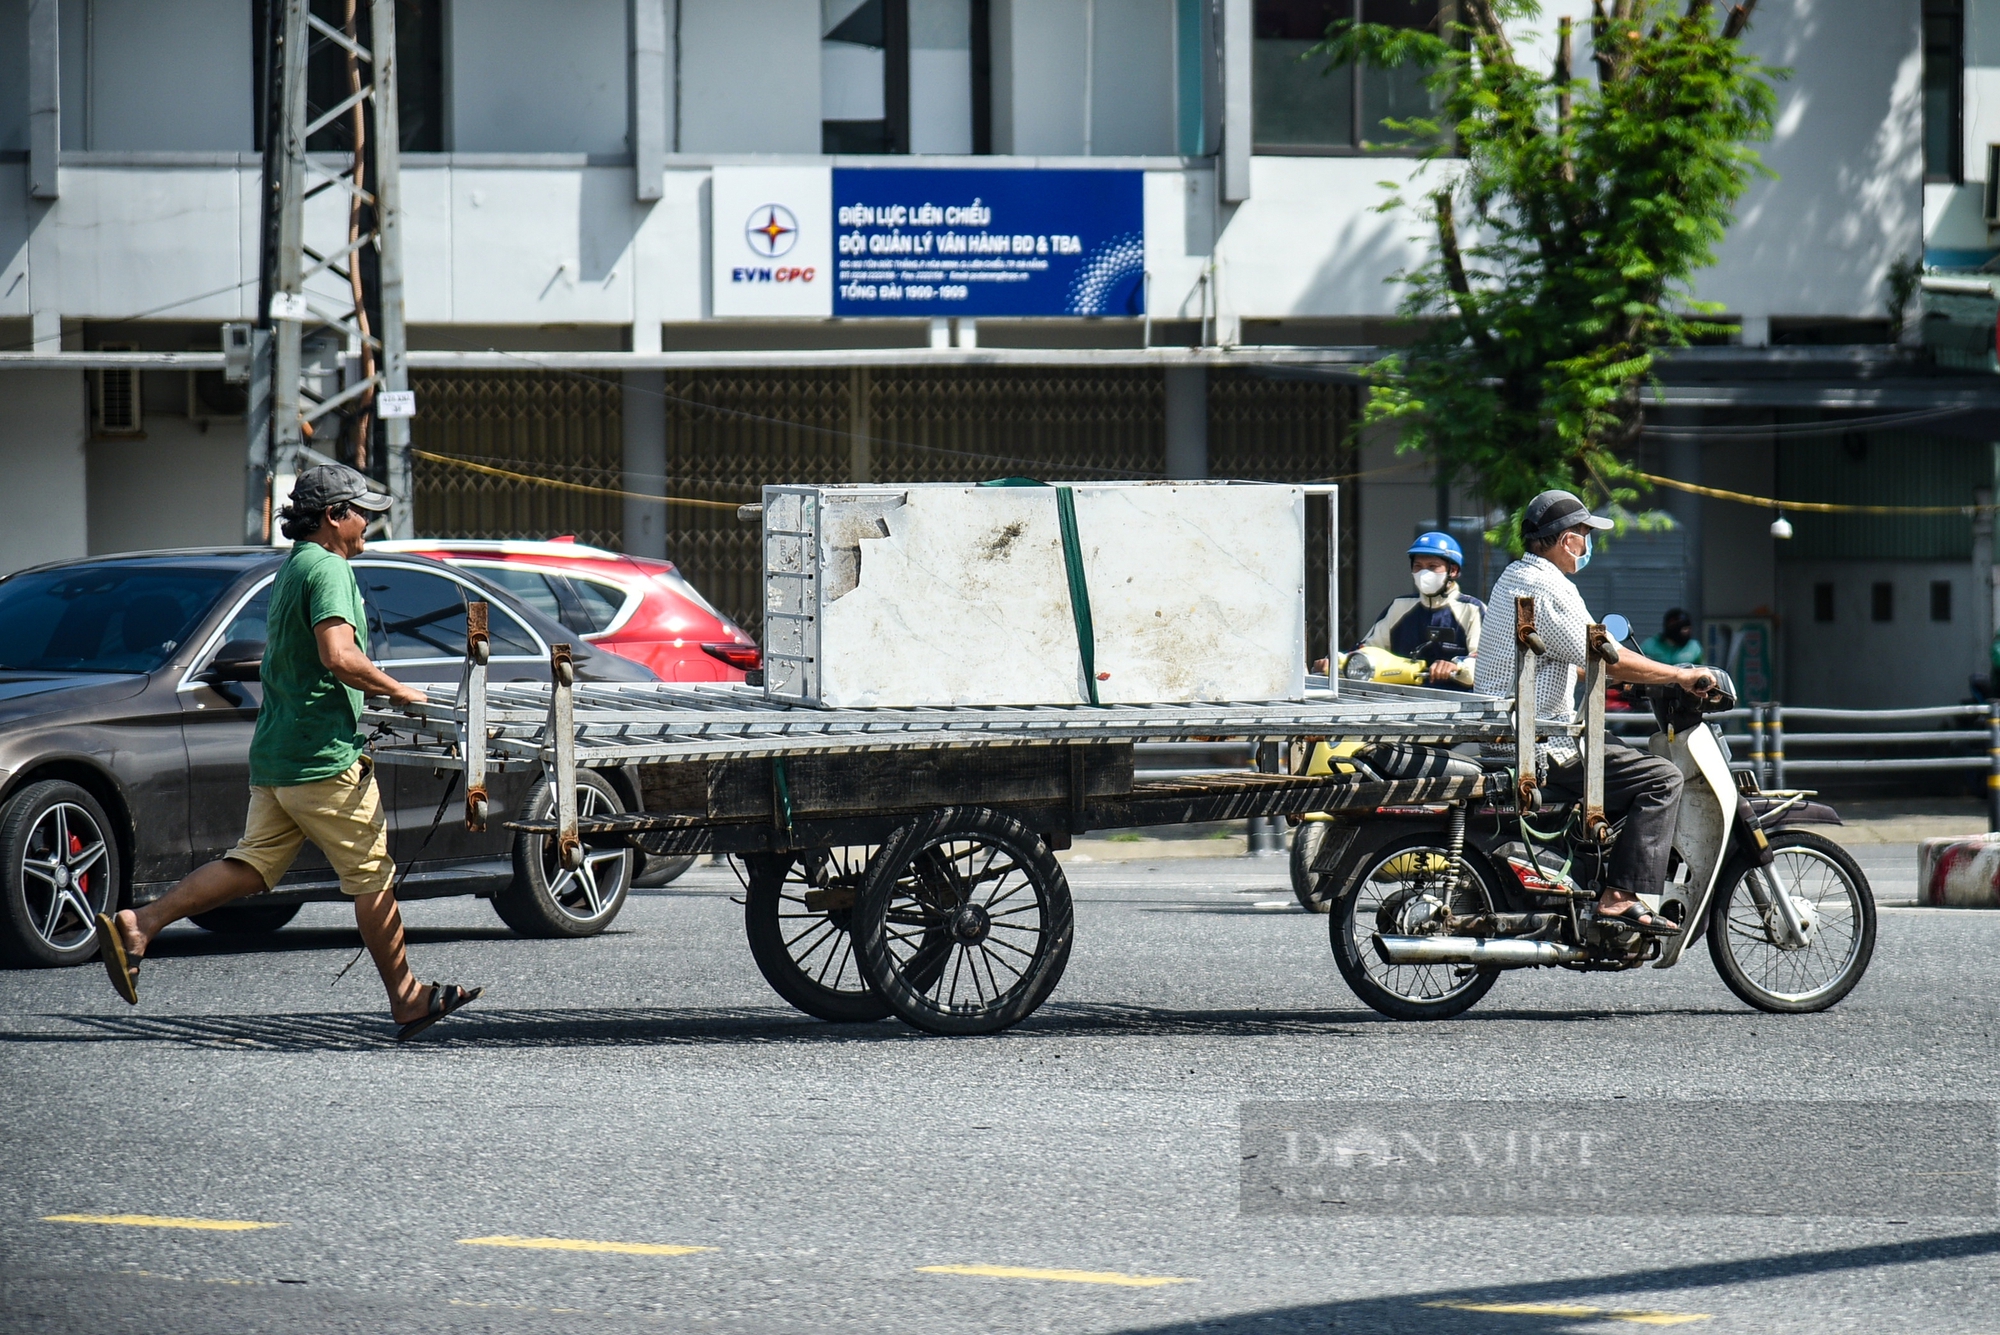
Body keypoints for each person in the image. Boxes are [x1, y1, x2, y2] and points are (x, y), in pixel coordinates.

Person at [95, 464, 482, 1040]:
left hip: (279, 753)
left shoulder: (294, 566)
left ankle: (140, 923)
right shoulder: (327, 567)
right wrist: (402, 692)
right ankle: (407, 999)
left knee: (252, 864)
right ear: (333, 517)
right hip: (322, 757)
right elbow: (338, 655)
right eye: (363, 514)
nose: (370, 525)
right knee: (372, 875)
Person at [1473, 490, 1716, 936]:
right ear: (1567, 540)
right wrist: (1680, 676)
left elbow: (1574, 654)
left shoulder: (1516, 575)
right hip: (1543, 746)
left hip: (1518, 732)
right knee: (1662, 778)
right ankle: (1619, 896)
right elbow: (1608, 654)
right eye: (1585, 535)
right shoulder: (1551, 586)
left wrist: (1614, 672)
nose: (1588, 546)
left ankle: (1594, 869)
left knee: (1619, 754)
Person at [1355, 531, 1486, 688]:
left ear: (1453, 571)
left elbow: (1484, 661)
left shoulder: (1472, 609)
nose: (1424, 573)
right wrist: (1335, 662)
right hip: (1401, 702)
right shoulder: (1399, 606)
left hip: (1456, 706)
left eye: (1432, 567)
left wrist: (1457, 666)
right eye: (1418, 567)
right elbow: (1368, 649)